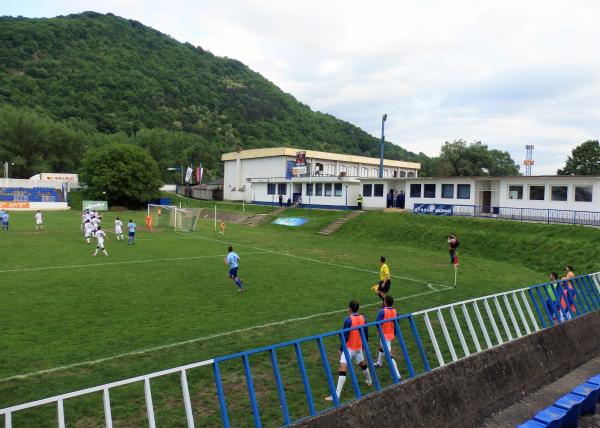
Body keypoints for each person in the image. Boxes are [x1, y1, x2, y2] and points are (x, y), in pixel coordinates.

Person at [325, 300, 372, 401]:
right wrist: (364, 345)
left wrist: (341, 348)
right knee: (362, 364)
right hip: (358, 346)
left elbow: (344, 335)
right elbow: (366, 332)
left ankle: (336, 395)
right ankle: (369, 380)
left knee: (343, 367)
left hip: (349, 348)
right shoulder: (363, 318)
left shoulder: (348, 320)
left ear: (349, 308)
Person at [374, 295, 402, 380]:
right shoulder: (395, 311)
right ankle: (379, 363)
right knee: (381, 348)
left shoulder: (382, 311)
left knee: (389, 355)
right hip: (390, 334)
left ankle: (397, 375)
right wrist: (395, 332)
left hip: (384, 335)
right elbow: (397, 322)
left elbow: (377, 322)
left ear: (385, 302)